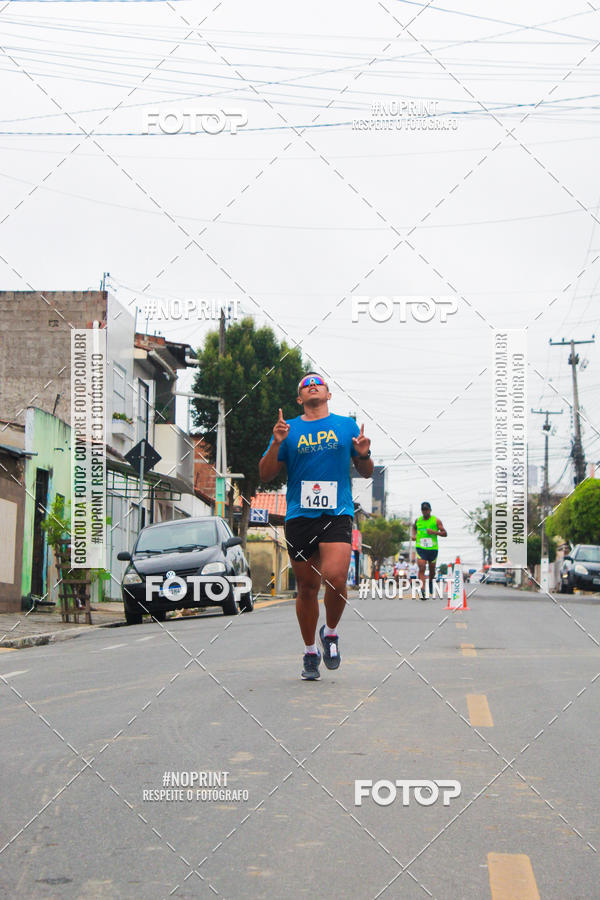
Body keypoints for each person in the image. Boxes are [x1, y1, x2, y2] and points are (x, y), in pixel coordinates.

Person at [259, 372, 374, 680]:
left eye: (318, 383)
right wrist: (276, 443)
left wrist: (364, 454)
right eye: (306, 385)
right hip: (298, 516)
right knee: (307, 588)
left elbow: (366, 472)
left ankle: (331, 633)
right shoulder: (289, 429)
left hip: (336, 513)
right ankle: (310, 651)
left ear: (328, 394)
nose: (312, 385)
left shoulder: (346, 426)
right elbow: (265, 474)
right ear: (300, 398)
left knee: (336, 578)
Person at [411, 502, 447, 599]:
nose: (425, 511)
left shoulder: (436, 521)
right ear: (421, 511)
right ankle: (422, 590)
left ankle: (431, 581)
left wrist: (434, 532)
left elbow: (444, 533)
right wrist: (414, 536)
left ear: (430, 510)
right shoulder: (418, 520)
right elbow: (414, 528)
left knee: (432, 570)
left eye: (427, 510)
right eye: (423, 510)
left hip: (432, 549)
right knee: (422, 567)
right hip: (420, 547)